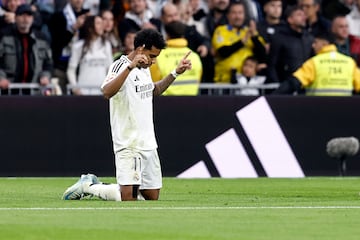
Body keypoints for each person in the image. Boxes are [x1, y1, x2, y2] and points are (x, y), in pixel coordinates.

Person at [62, 28, 192, 201]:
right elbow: (107, 92)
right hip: (128, 142)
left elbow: (154, 90)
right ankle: (89, 186)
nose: (153, 61)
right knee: (127, 199)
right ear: (140, 48)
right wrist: (130, 67)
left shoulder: (145, 69)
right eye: (152, 56)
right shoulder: (120, 65)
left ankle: (96, 186)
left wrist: (175, 73)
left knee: (151, 198)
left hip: (148, 143)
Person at [275, 31, 360, 95]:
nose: (313, 46)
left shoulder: (314, 62)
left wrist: (271, 97)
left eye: (315, 42)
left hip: (318, 110)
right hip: (345, 110)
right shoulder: (349, 62)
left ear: (324, 44)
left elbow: (293, 83)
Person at [0, 3, 53, 95]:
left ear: (32, 19)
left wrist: (45, 77)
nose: (25, 19)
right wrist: (1, 78)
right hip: (9, 91)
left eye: (28, 15)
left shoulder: (41, 39)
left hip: (34, 91)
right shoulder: (4, 36)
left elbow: (48, 63)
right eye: (22, 15)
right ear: (15, 18)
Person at [211, 0, 266, 83]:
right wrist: (242, 42)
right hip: (225, 82)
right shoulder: (221, 31)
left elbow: (262, 54)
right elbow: (223, 52)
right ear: (228, 15)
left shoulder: (250, 32)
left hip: (246, 83)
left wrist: (254, 37)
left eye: (240, 13)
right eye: (234, 13)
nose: (237, 16)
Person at [48, 0, 90, 94]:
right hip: (61, 67)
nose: (79, 0)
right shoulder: (58, 16)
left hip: (81, 67)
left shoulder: (88, 16)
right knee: (59, 102)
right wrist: (73, 27)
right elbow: (57, 42)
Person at [151, 21, 203, 95]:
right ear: (183, 36)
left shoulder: (158, 56)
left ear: (167, 35)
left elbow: (153, 83)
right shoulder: (194, 56)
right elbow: (198, 79)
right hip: (191, 101)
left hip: (164, 103)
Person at [268, 5, 313, 87]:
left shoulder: (309, 38)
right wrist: (278, 86)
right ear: (290, 19)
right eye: (299, 15)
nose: (303, 17)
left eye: (304, 15)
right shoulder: (279, 37)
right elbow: (272, 65)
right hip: (287, 85)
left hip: (306, 84)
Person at [66, 15, 113, 95]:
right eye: (98, 23)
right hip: (83, 92)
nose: (102, 26)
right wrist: (75, 89)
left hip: (102, 93)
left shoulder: (107, 45)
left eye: (102, 23)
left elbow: (110, 69)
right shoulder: (78, 46)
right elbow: (71, 70)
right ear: (90, 27)